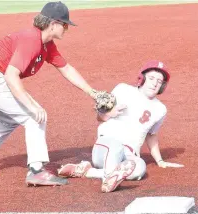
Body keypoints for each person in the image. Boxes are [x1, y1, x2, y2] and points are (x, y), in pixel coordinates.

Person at [0, 1, 109, 187]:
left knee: (9, 119)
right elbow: (12, 75)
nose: (67, 28)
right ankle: (37, 170)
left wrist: (92, 92)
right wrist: (31, 105)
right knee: (35, 116)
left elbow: (66, 68)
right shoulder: (32, 39)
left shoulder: (46, 44)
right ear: (52, 24)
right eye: (65, 24)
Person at [58, 60, 184, 193]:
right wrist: (109, 113)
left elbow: (151, 135)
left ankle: (89, 171)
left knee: (140, 168)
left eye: (159, 81)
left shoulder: (160, 109)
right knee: (116, 147)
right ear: (143, 78)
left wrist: (160, 160)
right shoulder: (122, 89)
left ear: (162, 86)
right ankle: (109, 178)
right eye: (152, 78)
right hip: (107, 145)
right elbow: (100, 117)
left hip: (129, 153)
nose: (154, 83)